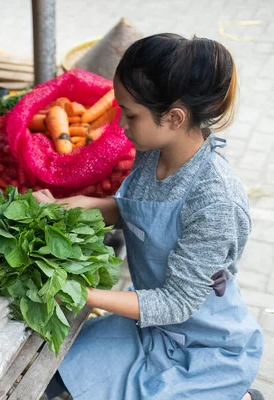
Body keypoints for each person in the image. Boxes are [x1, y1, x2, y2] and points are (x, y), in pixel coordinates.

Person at [34, 34, 264, 400]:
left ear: (174, 118)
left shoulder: (215, 200)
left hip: (204, 345)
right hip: (147, 327)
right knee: (48, 373)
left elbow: (176, 303)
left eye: (130, 114)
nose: (121, 124)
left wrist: (83, 294)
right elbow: (140, 215)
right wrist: (85, 205)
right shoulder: (151, 153)